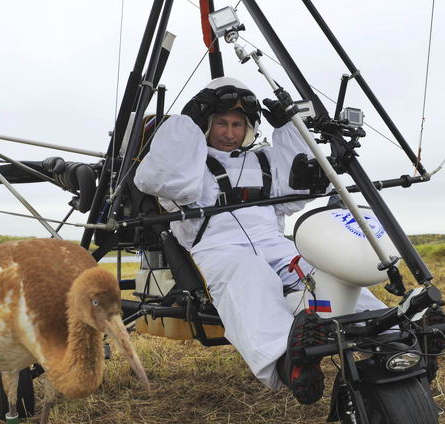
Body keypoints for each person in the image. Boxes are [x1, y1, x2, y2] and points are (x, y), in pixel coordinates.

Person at [134, 77, 385, 404]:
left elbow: (298, 191)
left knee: (319, 272)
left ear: (249, 126)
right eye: (220, 122)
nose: (229, 132)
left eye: (238, 124)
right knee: (250, 274)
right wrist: (187, 125)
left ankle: (387, 335)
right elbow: (159, 180)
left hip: (275, 245)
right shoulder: (189, 164)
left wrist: (289, 130)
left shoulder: (263, 159)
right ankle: (289, 361)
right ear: (206, 124)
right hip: (218, 251)